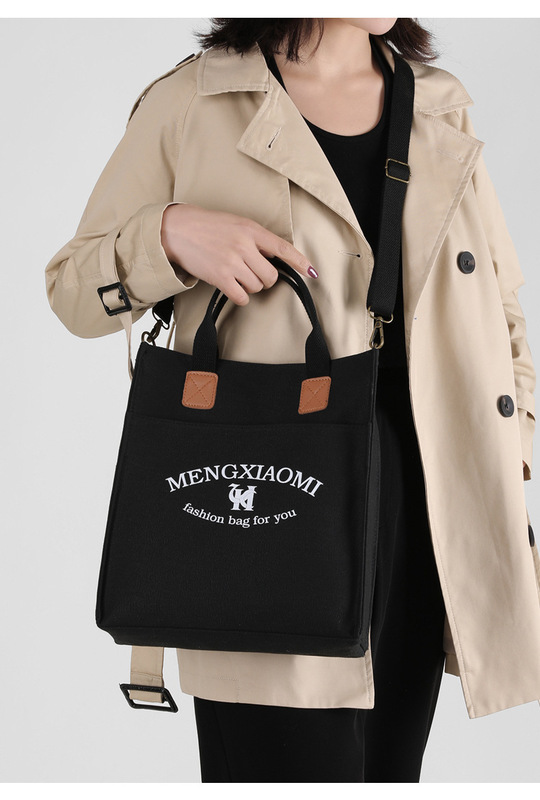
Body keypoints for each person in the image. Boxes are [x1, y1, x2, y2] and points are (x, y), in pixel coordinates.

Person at [45, 18, 538, 783]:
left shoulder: (439, 102)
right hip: (266, 506)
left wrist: (515, 449)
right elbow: (73, 293)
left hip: (429, 507)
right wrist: (169, 237)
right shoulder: (194, 101)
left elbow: (499, 305)